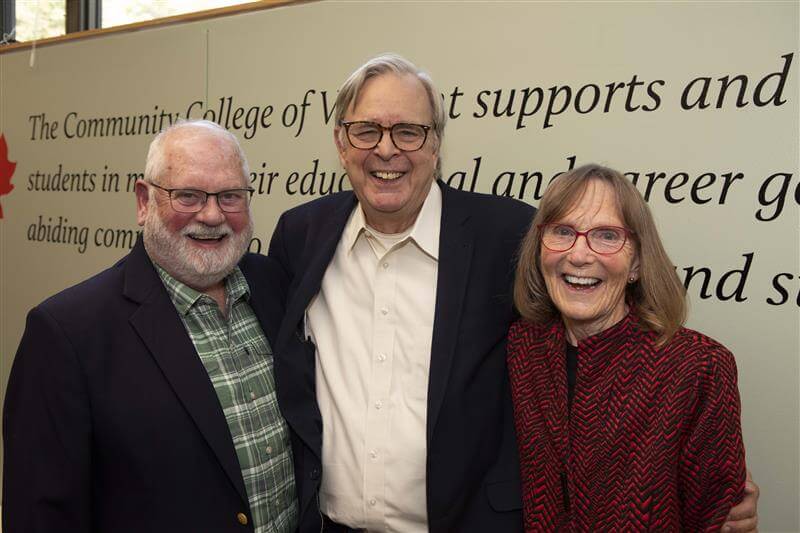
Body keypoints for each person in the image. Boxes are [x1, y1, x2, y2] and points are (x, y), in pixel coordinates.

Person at [268, 55, 759, 533]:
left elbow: (596, 359)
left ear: (435, 143)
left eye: (409, 131)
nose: (387, 150)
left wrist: (710, 485)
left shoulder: (509, 232)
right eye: (367, 130)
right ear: (341, 141)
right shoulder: (301, 234)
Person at [3, 120, 297, 533]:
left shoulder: (275, 286)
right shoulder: (66, 334)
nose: (212, 215)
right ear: (144, 201)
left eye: (230, 196)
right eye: (188, 196)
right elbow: (41, 515)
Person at [508, 164, 748, 531]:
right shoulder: (520, 349)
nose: (579, 255)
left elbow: (716, 519)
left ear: (636, 262)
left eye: (606, 235)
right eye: (562, 232)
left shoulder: (698, 367)